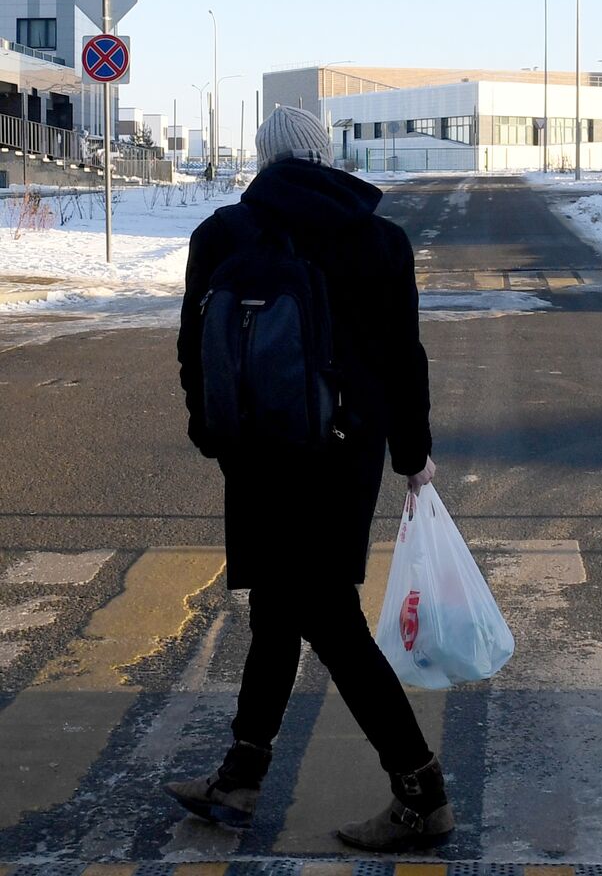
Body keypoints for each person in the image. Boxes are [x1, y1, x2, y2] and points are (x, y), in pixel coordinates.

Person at [168, 105, 452, 852]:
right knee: (285, 610)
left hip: (259, 454)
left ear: (264, 158)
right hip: (344, 456)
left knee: (322, 617)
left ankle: (422, 790)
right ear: (324, 155)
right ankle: (241, 776)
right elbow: (403, 359)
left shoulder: (225, 233)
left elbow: (195, 347)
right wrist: (410, 452)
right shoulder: (379, 238)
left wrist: (212, 432)